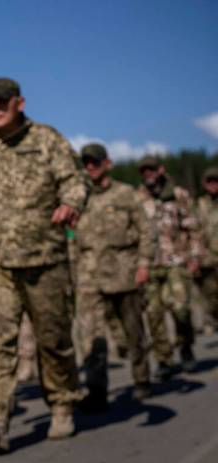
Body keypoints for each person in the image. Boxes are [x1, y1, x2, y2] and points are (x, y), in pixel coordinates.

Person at [0, 77, 86, 453]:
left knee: (53, 338)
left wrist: (72, 203)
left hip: (45, 259)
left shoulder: (47, 140)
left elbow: (74, 181)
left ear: (19, 103)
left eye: (2, 102)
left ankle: (61, 404)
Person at [74, 144, 153, 412]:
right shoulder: (77, 197)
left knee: (133, 332)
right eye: (86, 163)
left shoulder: (126, 194)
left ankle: (141, 378)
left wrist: (143, 264)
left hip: (123, 272)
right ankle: (97, 391)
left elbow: (145, 231)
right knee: (91, 335)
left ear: (107, 163)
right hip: (89, 276)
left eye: (95, 162)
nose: (90, 167)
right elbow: (70, 238)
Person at [137, 156, 201, 377]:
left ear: (161, 170)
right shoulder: (137, 198)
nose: (147, 174)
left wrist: (194, 256)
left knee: (180, 308)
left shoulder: (179, 194)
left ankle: (185, 347)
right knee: (154, 314)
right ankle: (163, 358)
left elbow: (193, 228)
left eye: (151, 170)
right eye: (143, 171)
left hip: (176, 260)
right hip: (150, 263)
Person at [196, 167, 218, 335]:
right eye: (209, 181)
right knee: (209, 293)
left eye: (215, 181)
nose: (213, 184)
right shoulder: (199, 205)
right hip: (207, 258)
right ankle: (210, 319)